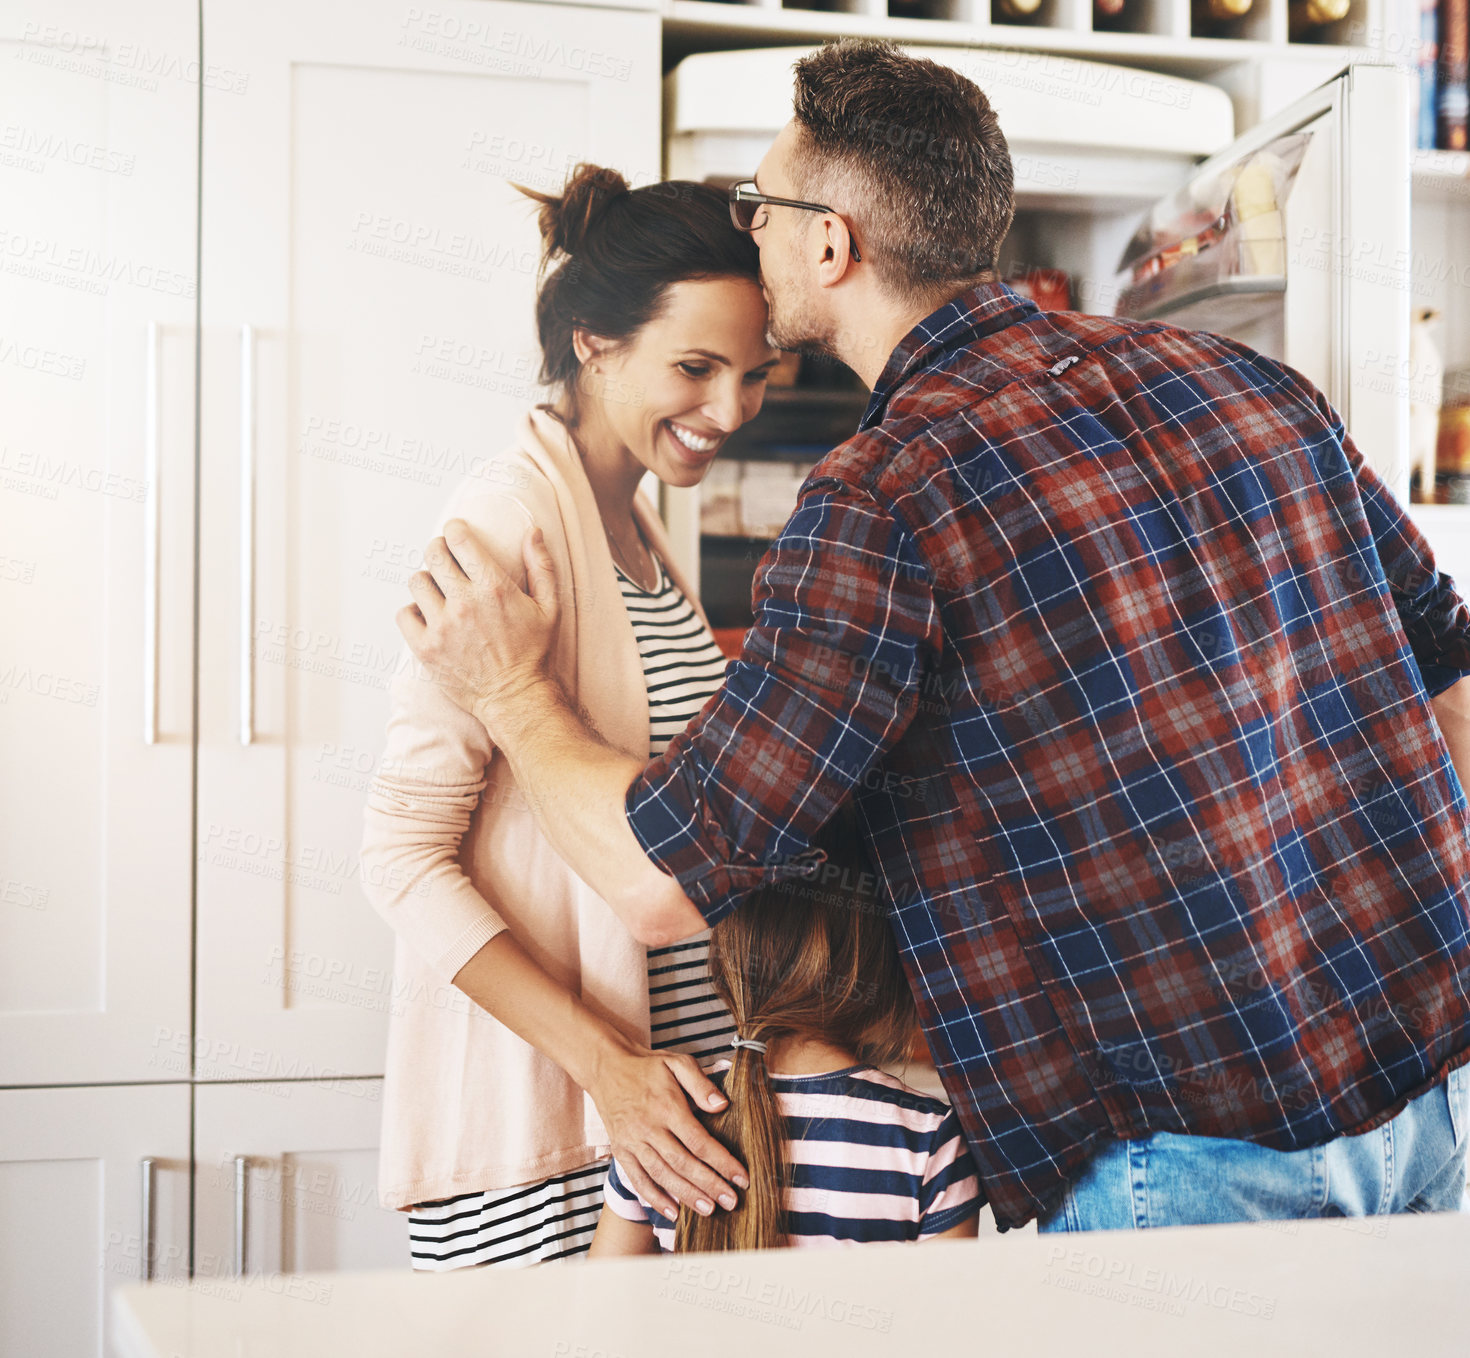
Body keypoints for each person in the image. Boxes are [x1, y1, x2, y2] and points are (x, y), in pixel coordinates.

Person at [396, 41, 1470, 1233]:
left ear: (830, 240)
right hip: (1439, 1098)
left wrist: (507, 689)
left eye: (759, 208)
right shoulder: (1252, 382)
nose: (745, 233)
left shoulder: (882, 498)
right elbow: (1452, 688)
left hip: (1183, 1173)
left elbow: (661, 880)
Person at [358, 163, 782, 1268]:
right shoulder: (507, 518)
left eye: (755, 374)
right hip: (553, 1145)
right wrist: (607, 1067)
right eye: (695, 366)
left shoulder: (639, 530)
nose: (728, 410)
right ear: (595, 340)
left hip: (654, 1137)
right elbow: (400, 857)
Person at [589, 810, 981, 1255]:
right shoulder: (928, 1140)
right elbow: (948, 1320)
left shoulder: (663, 1123)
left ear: (728, 957)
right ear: (883, 963)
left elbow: (602, 1314)